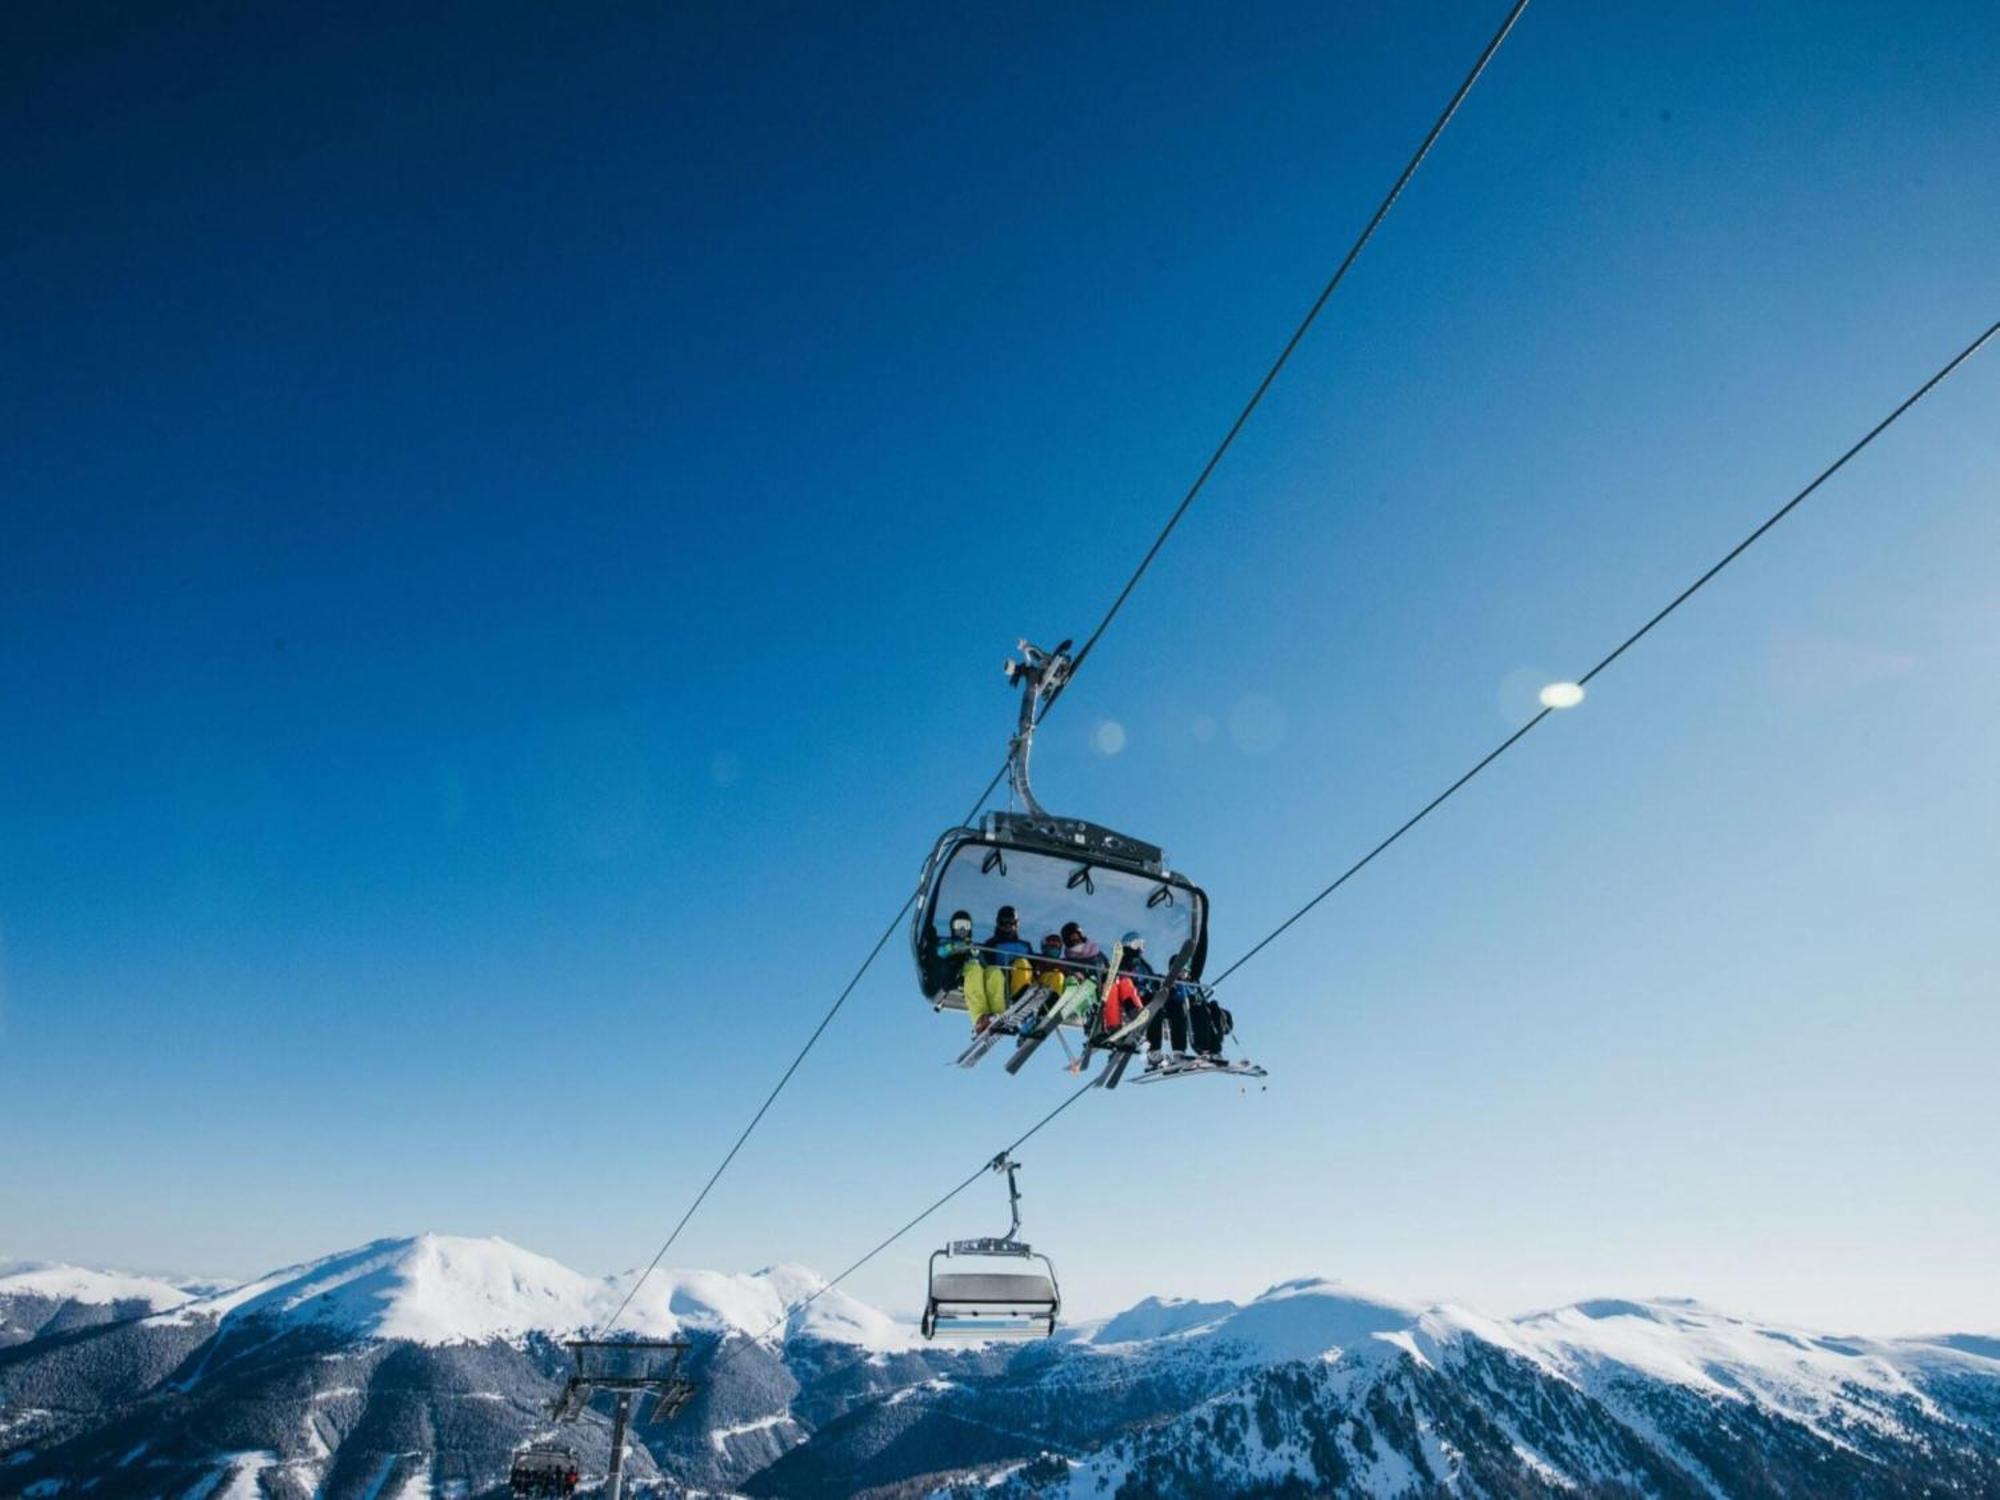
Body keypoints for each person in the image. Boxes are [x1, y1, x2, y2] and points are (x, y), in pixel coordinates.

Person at [962, 905, 1033, 1033]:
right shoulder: (992, 944)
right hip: (1000, 980)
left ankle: (1022, 1004)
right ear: (998, 924)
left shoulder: (1025, 946)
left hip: (1019, 982)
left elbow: (1035, 963)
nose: (1008, 926)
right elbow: (985, 965)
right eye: (1004, 923)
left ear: (1017, 923)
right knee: (994, 972)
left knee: (1022, 962)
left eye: (1011, 922)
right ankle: (990, 1018)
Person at [1135, 933, 1191, 1069]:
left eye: (1183, 970)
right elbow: (1151, 982)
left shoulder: (1190, 985)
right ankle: (1154, 1052)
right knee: (1157, 1008)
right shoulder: (1145, 969)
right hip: (1152, 1003)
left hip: (1175, 1009)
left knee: (1178, 1011)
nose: (1181, 974)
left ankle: (1178, 1053)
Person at [927, 909, 976, 1000]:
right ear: (952, 927)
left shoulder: (972, 947)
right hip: (949, 978)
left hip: (968, 975)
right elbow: (940, 952)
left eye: (966, 926)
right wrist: (956, 947)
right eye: (959, 925)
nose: (962, 929)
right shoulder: (946, 943)